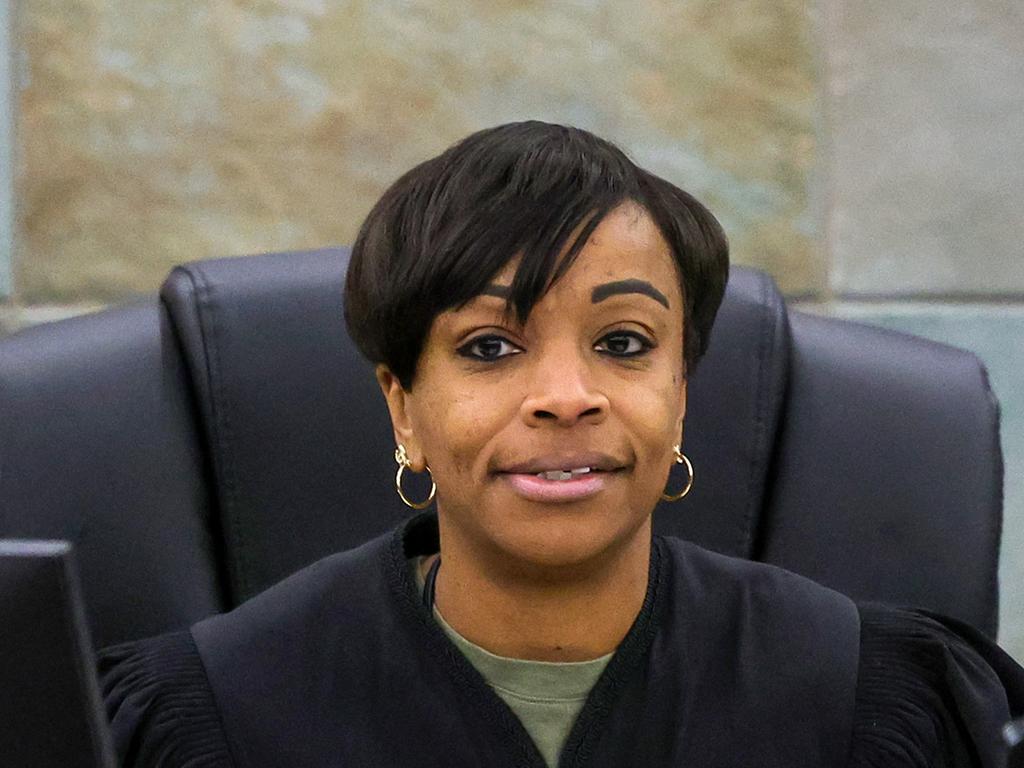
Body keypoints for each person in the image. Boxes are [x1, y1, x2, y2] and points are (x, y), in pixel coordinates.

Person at [100, 121, 1024, 767]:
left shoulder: (876, 697)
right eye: (490, 347)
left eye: (623, 344)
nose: (565, 398)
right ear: (404, 410)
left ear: (681, 392)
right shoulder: (204, 715)